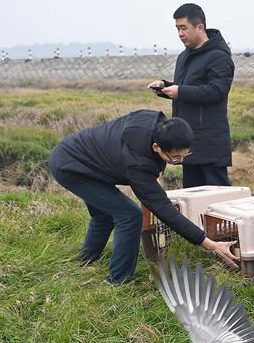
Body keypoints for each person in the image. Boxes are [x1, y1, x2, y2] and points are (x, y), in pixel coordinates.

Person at [48, 110, 239, 284]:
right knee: (129, 215)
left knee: (104, 214)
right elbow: (163, 208)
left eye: (185, 155)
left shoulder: (153, 122)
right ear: (156, 147)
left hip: (81, 157)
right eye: (174, 158)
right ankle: (118, 280)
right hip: (71, 168)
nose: (179, 162)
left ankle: (86, 260)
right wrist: (208, 243)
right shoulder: (138, 163)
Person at [148, 3, 235, 188]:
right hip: (187, 142)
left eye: (183, 28)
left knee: (219, 198)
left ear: (200, 27)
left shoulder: (219, 57)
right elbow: (189, 88)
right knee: (193, 197)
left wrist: (179, 91)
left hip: (210, 143)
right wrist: (166, 87)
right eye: (177, 29)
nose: (180, 33)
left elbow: (216, 92)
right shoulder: (183, 56)